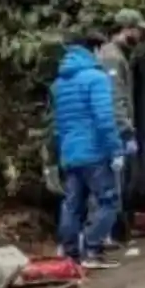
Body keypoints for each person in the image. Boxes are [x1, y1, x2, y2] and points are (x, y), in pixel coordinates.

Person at [51, 33, 126, 270]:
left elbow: (57, 124)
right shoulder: (96, 78)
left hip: (70, 153)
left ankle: (71, 255)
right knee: (108, 201)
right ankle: (92, 249)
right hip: (94, 152)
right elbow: (104, 118)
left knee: (73, 205)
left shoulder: (59, 83)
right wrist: (116, 150)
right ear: (93, 51)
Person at [97, 8, 145, 245]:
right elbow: (114, 97)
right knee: (114, 184)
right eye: (138, 30)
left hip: (117, 130)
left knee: (120, 183)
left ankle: (114, 233)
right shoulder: (112, 57)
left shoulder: (121, 55)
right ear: (126, 29)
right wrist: (126, 129)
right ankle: (109, 234)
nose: (140, 35)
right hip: (116, 132)